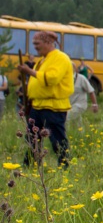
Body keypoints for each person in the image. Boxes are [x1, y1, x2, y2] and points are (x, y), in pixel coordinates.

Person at [17, 31, 74, 167]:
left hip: (53, 107)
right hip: (38, 106)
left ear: (48, 42)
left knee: (57, 139)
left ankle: (65, 165)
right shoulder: (43, 60)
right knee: (32, 138)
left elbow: (52, 78)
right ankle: (30, 165)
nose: (35, 47)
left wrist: (29, 71)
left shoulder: (60, 58)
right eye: (34, 44)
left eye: (37, 44)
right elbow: (36, 84)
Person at [67, 61, 98, 127]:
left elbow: (91, 91)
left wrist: (94, 104)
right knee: (77, 123)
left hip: (80, 105)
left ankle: (64, 136)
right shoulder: (64, 79)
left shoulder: (81, 78)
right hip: (70, 105)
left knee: (66, 118)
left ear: (75, 69)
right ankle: (81, 135)